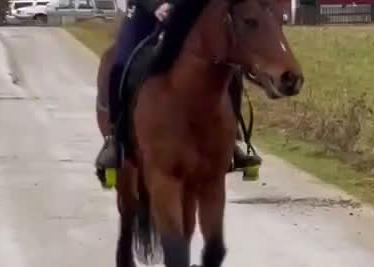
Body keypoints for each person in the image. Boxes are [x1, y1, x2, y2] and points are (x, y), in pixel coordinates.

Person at [95, 0, 259, 185]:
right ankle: (115, 138)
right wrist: (155, 6)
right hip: (143, 15)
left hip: (185, 16)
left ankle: (233, 139)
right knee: (120, 66)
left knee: (228, 68)